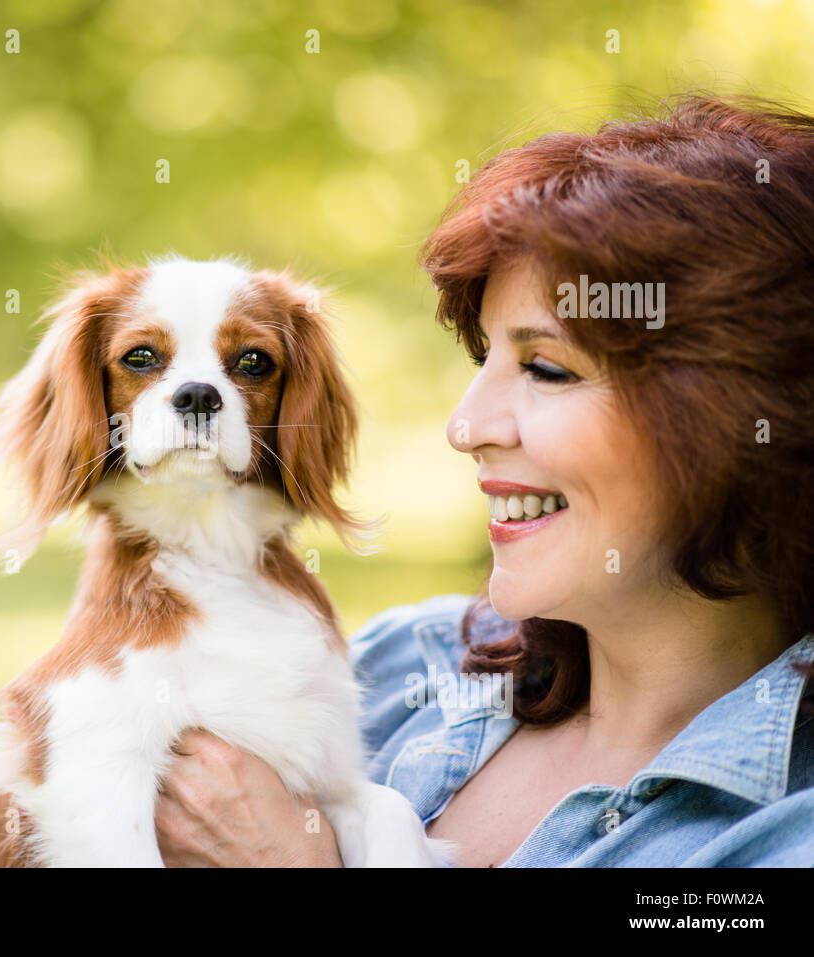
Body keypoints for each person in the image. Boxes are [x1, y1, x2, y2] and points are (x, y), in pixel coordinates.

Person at [154, 94, 814, 867]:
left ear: (744, 415)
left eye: (545, 368)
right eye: (485, 358)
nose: (466, 428)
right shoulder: (397, 664)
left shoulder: (782, 835)